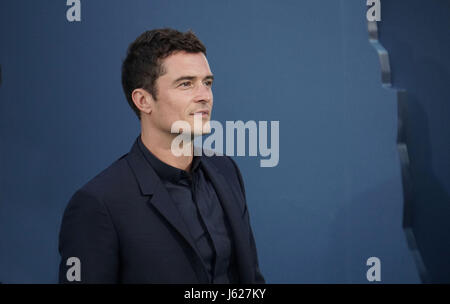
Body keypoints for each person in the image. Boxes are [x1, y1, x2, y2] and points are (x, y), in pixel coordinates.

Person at [58, 28, 265, 284]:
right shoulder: (98, 204)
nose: (204, 96)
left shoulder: (227, 171)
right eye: (186, 83)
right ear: (143, 101)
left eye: (207, 83)